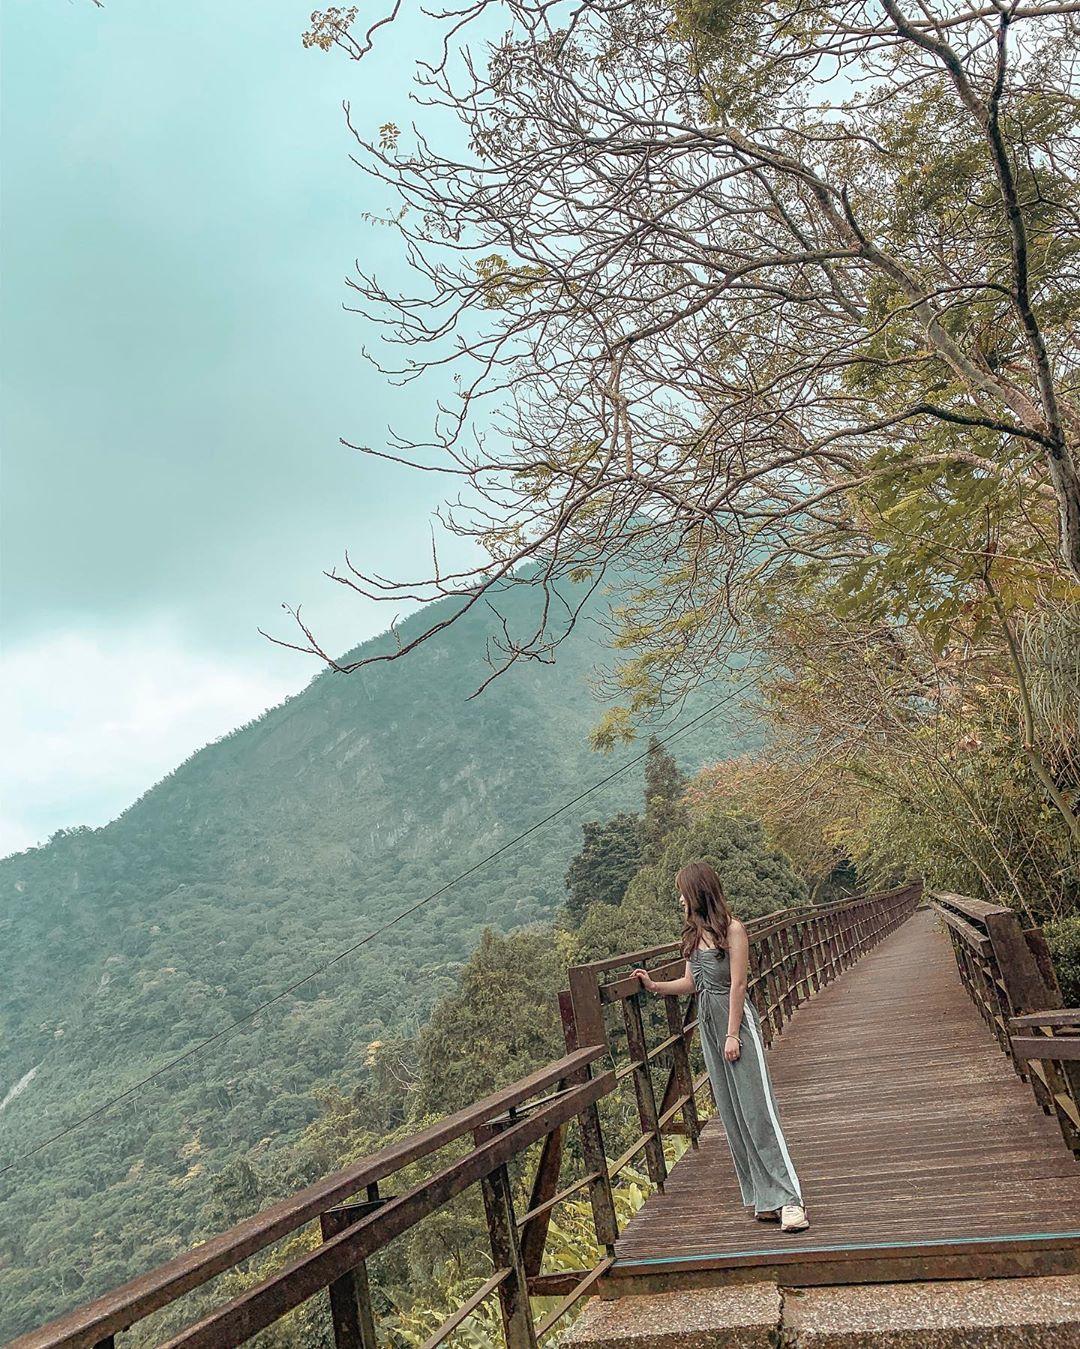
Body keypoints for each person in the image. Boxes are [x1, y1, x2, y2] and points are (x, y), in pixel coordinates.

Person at [631, 860, 809, 1232]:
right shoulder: (694, 936)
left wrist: (732, 1035)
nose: (679, 898)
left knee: (758, 1111)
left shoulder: (734, 930)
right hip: (709, 1026)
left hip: (735, 1025)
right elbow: (692, 983)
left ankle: (791, 1200)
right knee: (732, 1113)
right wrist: (654, 987)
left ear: (697, 892)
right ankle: (765, 1197)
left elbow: (739, 985)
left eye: (683, 891)